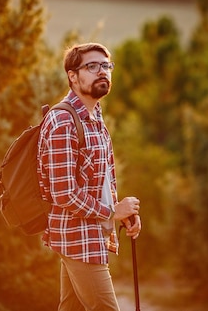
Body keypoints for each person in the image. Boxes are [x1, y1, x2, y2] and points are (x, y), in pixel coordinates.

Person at [37, 42, 142, 311]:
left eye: (106, 66)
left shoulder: (94, 116)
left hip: (89, 235)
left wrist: (122, 212)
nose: (102, 72)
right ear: (72, 76)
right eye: (92, 66)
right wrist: (111, 211)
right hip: (76, 239)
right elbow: (64, 193)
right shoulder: (63, 121)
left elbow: (99, 179)